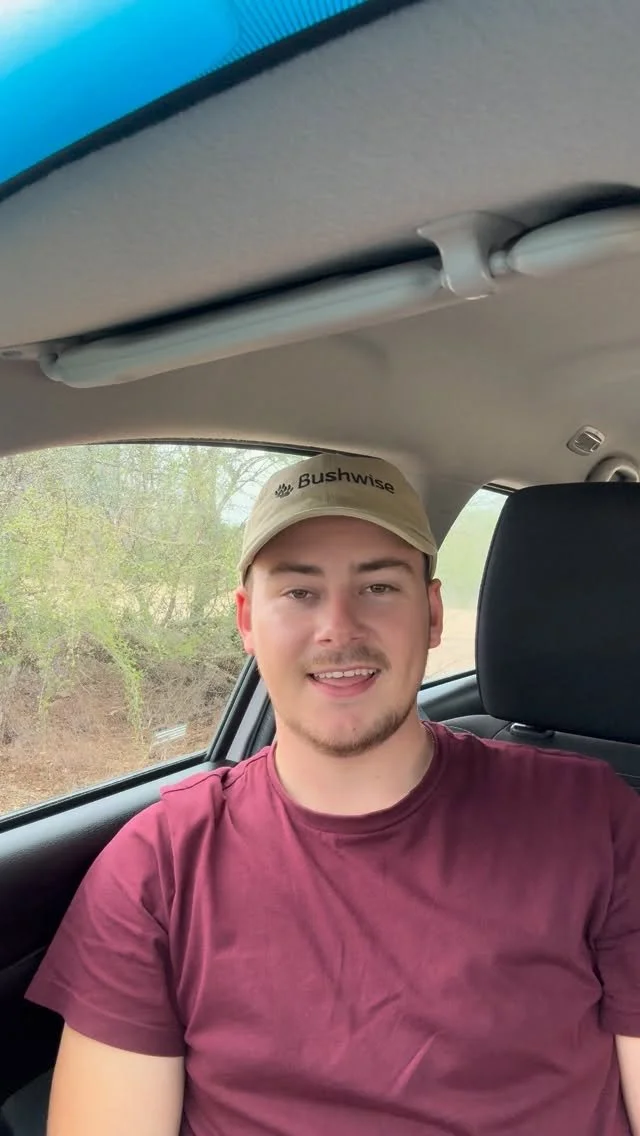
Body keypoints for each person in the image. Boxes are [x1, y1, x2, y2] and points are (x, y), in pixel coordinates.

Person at [26, 451, 640, 1136]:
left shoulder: (595, 821)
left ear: (433, 613)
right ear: (246, 621)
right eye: (299, 592)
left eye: (379, 586)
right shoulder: (158, 867)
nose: (339, 628)